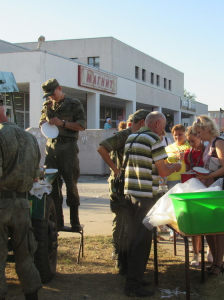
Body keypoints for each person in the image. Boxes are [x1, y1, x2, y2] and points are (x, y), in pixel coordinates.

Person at [124, 112, 181, 297]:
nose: (163, 130)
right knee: (142, 240)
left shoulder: (132, 137)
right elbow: (163, 171)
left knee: (134, 238)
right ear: (157, 123)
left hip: (130, 193)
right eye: (163, 126)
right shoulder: (154, 139)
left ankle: (135, 277)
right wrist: (175, 167)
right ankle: (133, 285)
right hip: (145, 195)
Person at [97, 109, 151, 276]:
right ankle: (121, 259)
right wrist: (116, 170)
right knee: (121, 223)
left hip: (129, 186)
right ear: (142, 122)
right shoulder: (125, 135)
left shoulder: (137, 137)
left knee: (129, 224)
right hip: (119, 186)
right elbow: (102, 148)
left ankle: (126, 261)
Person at [0, 106, 42, 300]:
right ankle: (31, 295)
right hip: (23, 205)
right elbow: (36, 177)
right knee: (25, 254)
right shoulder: (29, 137)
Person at [39, 78, 86, 231]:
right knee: (52, 186)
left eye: (52, 94)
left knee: (71, 185)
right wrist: (43, 124)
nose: (51, 97)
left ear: (59, 88)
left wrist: (62, 123)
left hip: (68, 148)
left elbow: (81, 125)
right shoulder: (47, 106)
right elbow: (41, 121)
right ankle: (57, 222)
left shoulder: (74, 104)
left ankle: (75, 222)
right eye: (48, 95)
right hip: (51, 148)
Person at [192, 115, 224, 277]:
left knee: (219, 229)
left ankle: (219, 264)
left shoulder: (219, 142)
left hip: (220, 190)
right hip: (210, 189)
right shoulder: (209, 145)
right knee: (209, 228)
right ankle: (215, 261)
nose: (198, 135)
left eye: (199, 132)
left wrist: (208, 176)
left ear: (207, 129)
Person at [184, 126, 205, 267]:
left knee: (208, 223)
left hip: (207, 189)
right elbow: (186, 173)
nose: (191, 144)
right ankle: (196, 253)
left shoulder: (208, 151)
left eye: (193, 140)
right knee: (194, 223)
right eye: (189, 141)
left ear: (200, 137)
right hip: (193, 189)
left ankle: (208, 250)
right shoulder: (188, 153)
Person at [165, 124, 190, 189]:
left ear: (185, 134)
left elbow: (196, 162)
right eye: (175, 135)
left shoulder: (190, 146)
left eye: (180, 134)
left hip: (186, 179)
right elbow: (164, 164)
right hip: (171, 180)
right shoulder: (168, 148)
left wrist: (185, 158)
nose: (177, 137)